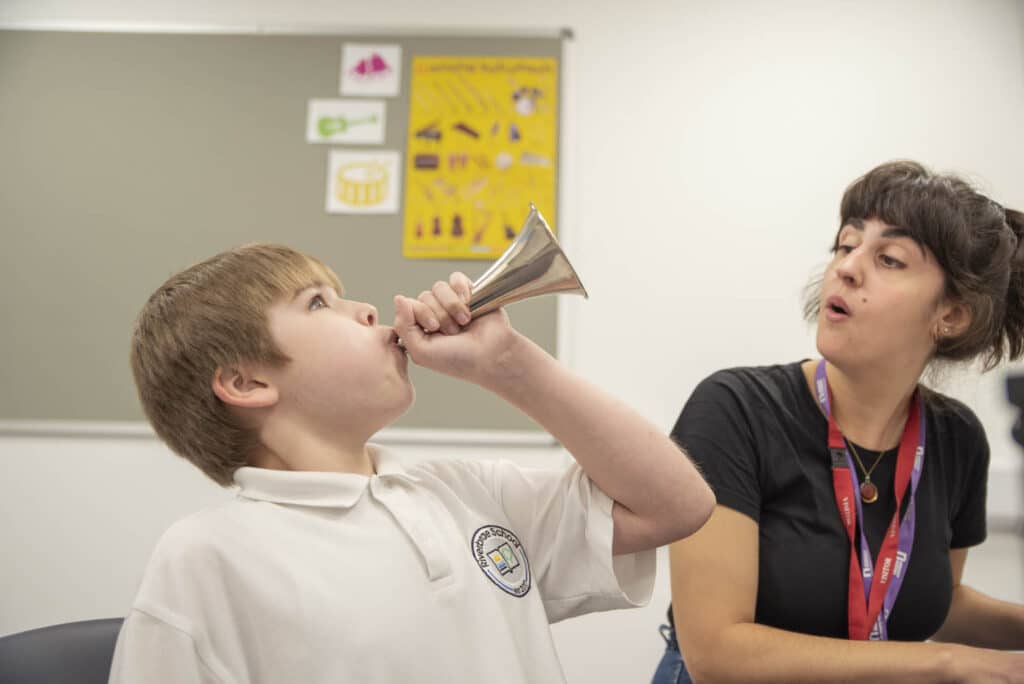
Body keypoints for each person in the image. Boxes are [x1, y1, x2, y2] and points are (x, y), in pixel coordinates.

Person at [108, 243, 715, 683]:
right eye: (318, 304)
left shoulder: (465, 491)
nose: (367, 310)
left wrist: (510, 364)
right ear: (246, 381)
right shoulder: (206, 556)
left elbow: (679, 505)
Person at [652, 160, 1024, 683]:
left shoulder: (957, 438)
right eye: (847, 245)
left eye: (889, 259)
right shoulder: (734, 409)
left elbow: (936, 601)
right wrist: (949, 662)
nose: (847, 267)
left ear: (951, 315)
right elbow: (717, 654)